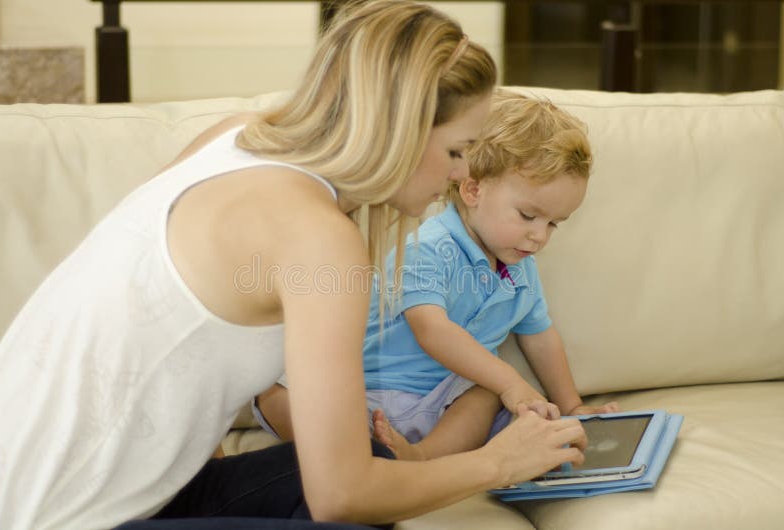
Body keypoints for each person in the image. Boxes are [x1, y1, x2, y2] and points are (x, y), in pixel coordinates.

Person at [0, 3, 586, 530]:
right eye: (457, 151)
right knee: (363, 502)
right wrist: (501, 461)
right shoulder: (320, 240)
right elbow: (341, 496)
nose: (461, 177)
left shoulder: (237, 138)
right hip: (53, 515)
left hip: (79, 491)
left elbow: (168, 354)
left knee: (377, 469)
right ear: (399, 130)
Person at [256, 91, 615, 463]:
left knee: (484, 394)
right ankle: (354, 455)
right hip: (359, 393)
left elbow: (540, 336)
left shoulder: (523, 270)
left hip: (440, 407)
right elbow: (431, 329)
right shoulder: (427, 245)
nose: (539, 236)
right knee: (275, 391)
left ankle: (420, 458)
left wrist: (571, 405)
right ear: (472, 189)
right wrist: (512, 383)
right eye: (527, 216)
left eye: (554, 223)